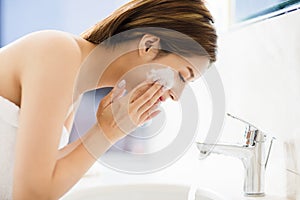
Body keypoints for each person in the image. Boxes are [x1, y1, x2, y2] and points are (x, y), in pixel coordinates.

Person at [0, 0, 217, 199]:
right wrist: (107, 131)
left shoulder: (76, 84)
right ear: (149, 46)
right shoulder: (59, 52)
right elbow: (30, 194)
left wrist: (109, 130)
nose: (176, 96)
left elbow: (44, 173)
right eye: (182, 76)